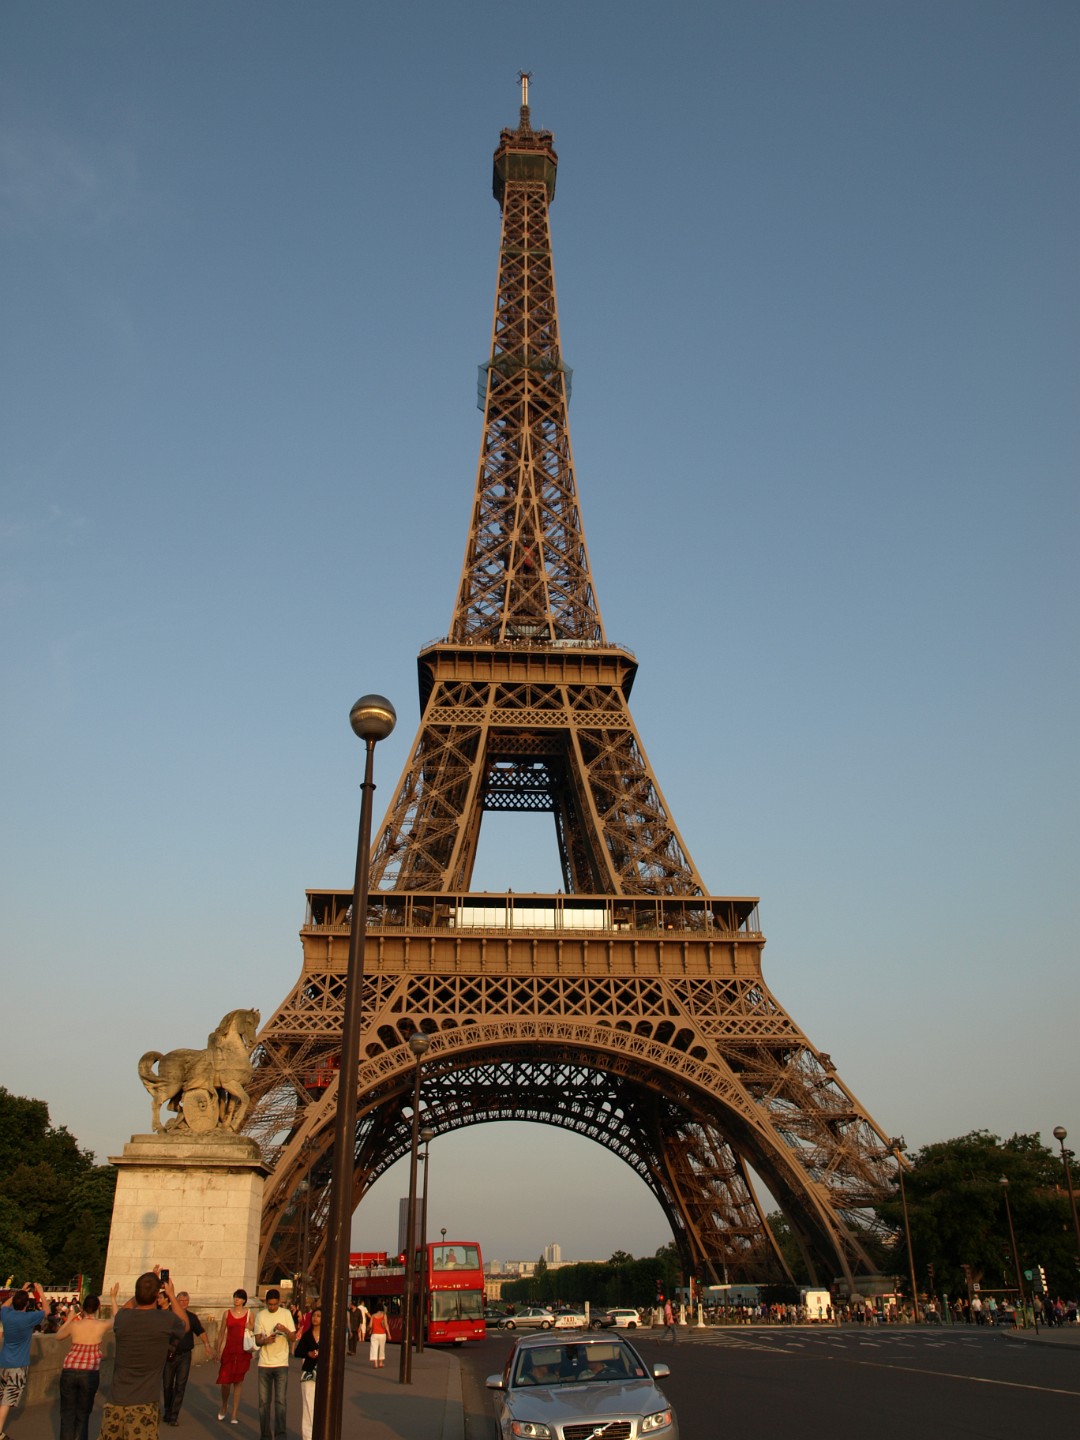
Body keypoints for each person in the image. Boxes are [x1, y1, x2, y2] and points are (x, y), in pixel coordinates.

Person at [101, 1271, 189, 1440]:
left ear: (136, 1293)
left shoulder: (122, 1318)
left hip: (115, 1401)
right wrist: (170, 1295)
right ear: (157, 1295)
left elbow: (125, 1308)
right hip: (144, 1402)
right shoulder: (165, 1320)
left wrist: (145, 1287)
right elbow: (184, 1325)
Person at [52, 1287, 119, 1440]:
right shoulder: (101, 1325)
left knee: (67, 1414)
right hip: (89, 1373)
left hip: (69, 1370)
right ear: (98, 1308)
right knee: (83, 1414)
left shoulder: (75, 1325)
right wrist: (113, 1298)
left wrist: (69, 1318)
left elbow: (58, 1336)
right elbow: (117, 1318)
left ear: (82, 1308)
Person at [0, 1283, 47, 1439]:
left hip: (3, 1362)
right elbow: (47, 1311)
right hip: (18, 1365)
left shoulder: (6, 1315)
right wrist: (40, 1292)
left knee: (1, 1398)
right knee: (7, 1402)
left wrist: (20, 1291)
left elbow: (5, 1305)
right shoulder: (28, 1318)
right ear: (27, 1303)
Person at [162, 1293, 211, 1427]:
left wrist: (207, 1345)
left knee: (180, 1386)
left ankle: (173, 1415)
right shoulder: (168, 1315)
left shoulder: (192, 1317)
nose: (184, 1303)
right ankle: (167, 1410)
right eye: (181, 1300)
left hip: (185, 1355)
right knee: (167, 1385)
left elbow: (200, 1331)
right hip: (170, 1354)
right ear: (176, 1301)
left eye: (186, 1300)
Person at [253, 1290, 295, 1440]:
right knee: (263, 1402)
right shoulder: (260, 1315)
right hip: (264, 1363)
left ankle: (280, 1435)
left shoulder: (286, 1314)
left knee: (280, 1401)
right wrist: (265, 1341)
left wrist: (284, 1329)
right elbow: (257, 1340)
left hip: (281, 1363)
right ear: (266, 1303)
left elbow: (293, 1337)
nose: (272, 1307)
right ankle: (265, 1435)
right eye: (269, 1304)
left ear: (279, 1302)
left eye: (275, 1304)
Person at [215, 1290, 254, 1425]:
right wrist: (217, 1349)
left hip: (242, 1351)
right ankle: (224, 1404)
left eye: (239, 1298)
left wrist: (250, 1327)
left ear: (244, 1300)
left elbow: (253, 1330)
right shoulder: (227, 1313)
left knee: (238, 1382)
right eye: (235, 1297)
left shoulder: (249, 1313)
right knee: (225, 1382)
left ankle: (234, 1413)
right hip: (229, 1350)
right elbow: (221, 1333)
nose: (236, 1299)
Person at [292, 1305, 322, 1440]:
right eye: (314, 1316)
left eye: (319, 1316)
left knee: (320, 1408)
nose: (315, 1318)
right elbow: (297, 1352)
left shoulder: (327, 1336)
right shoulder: (307, 1335)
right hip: (309, 1373)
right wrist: (308, 1353)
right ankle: (308, 1437)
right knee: (308, 1406)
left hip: (323, 1374)